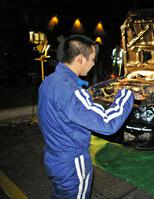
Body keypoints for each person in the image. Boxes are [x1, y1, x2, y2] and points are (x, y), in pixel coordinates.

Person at [38, 34, 134, 199]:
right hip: (72, 163)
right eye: (92, 59)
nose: (94, 63)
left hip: (54, 156)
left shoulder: (50, 81)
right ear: (81, 59)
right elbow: (107, 123)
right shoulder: (71, 91)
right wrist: (127, 94)